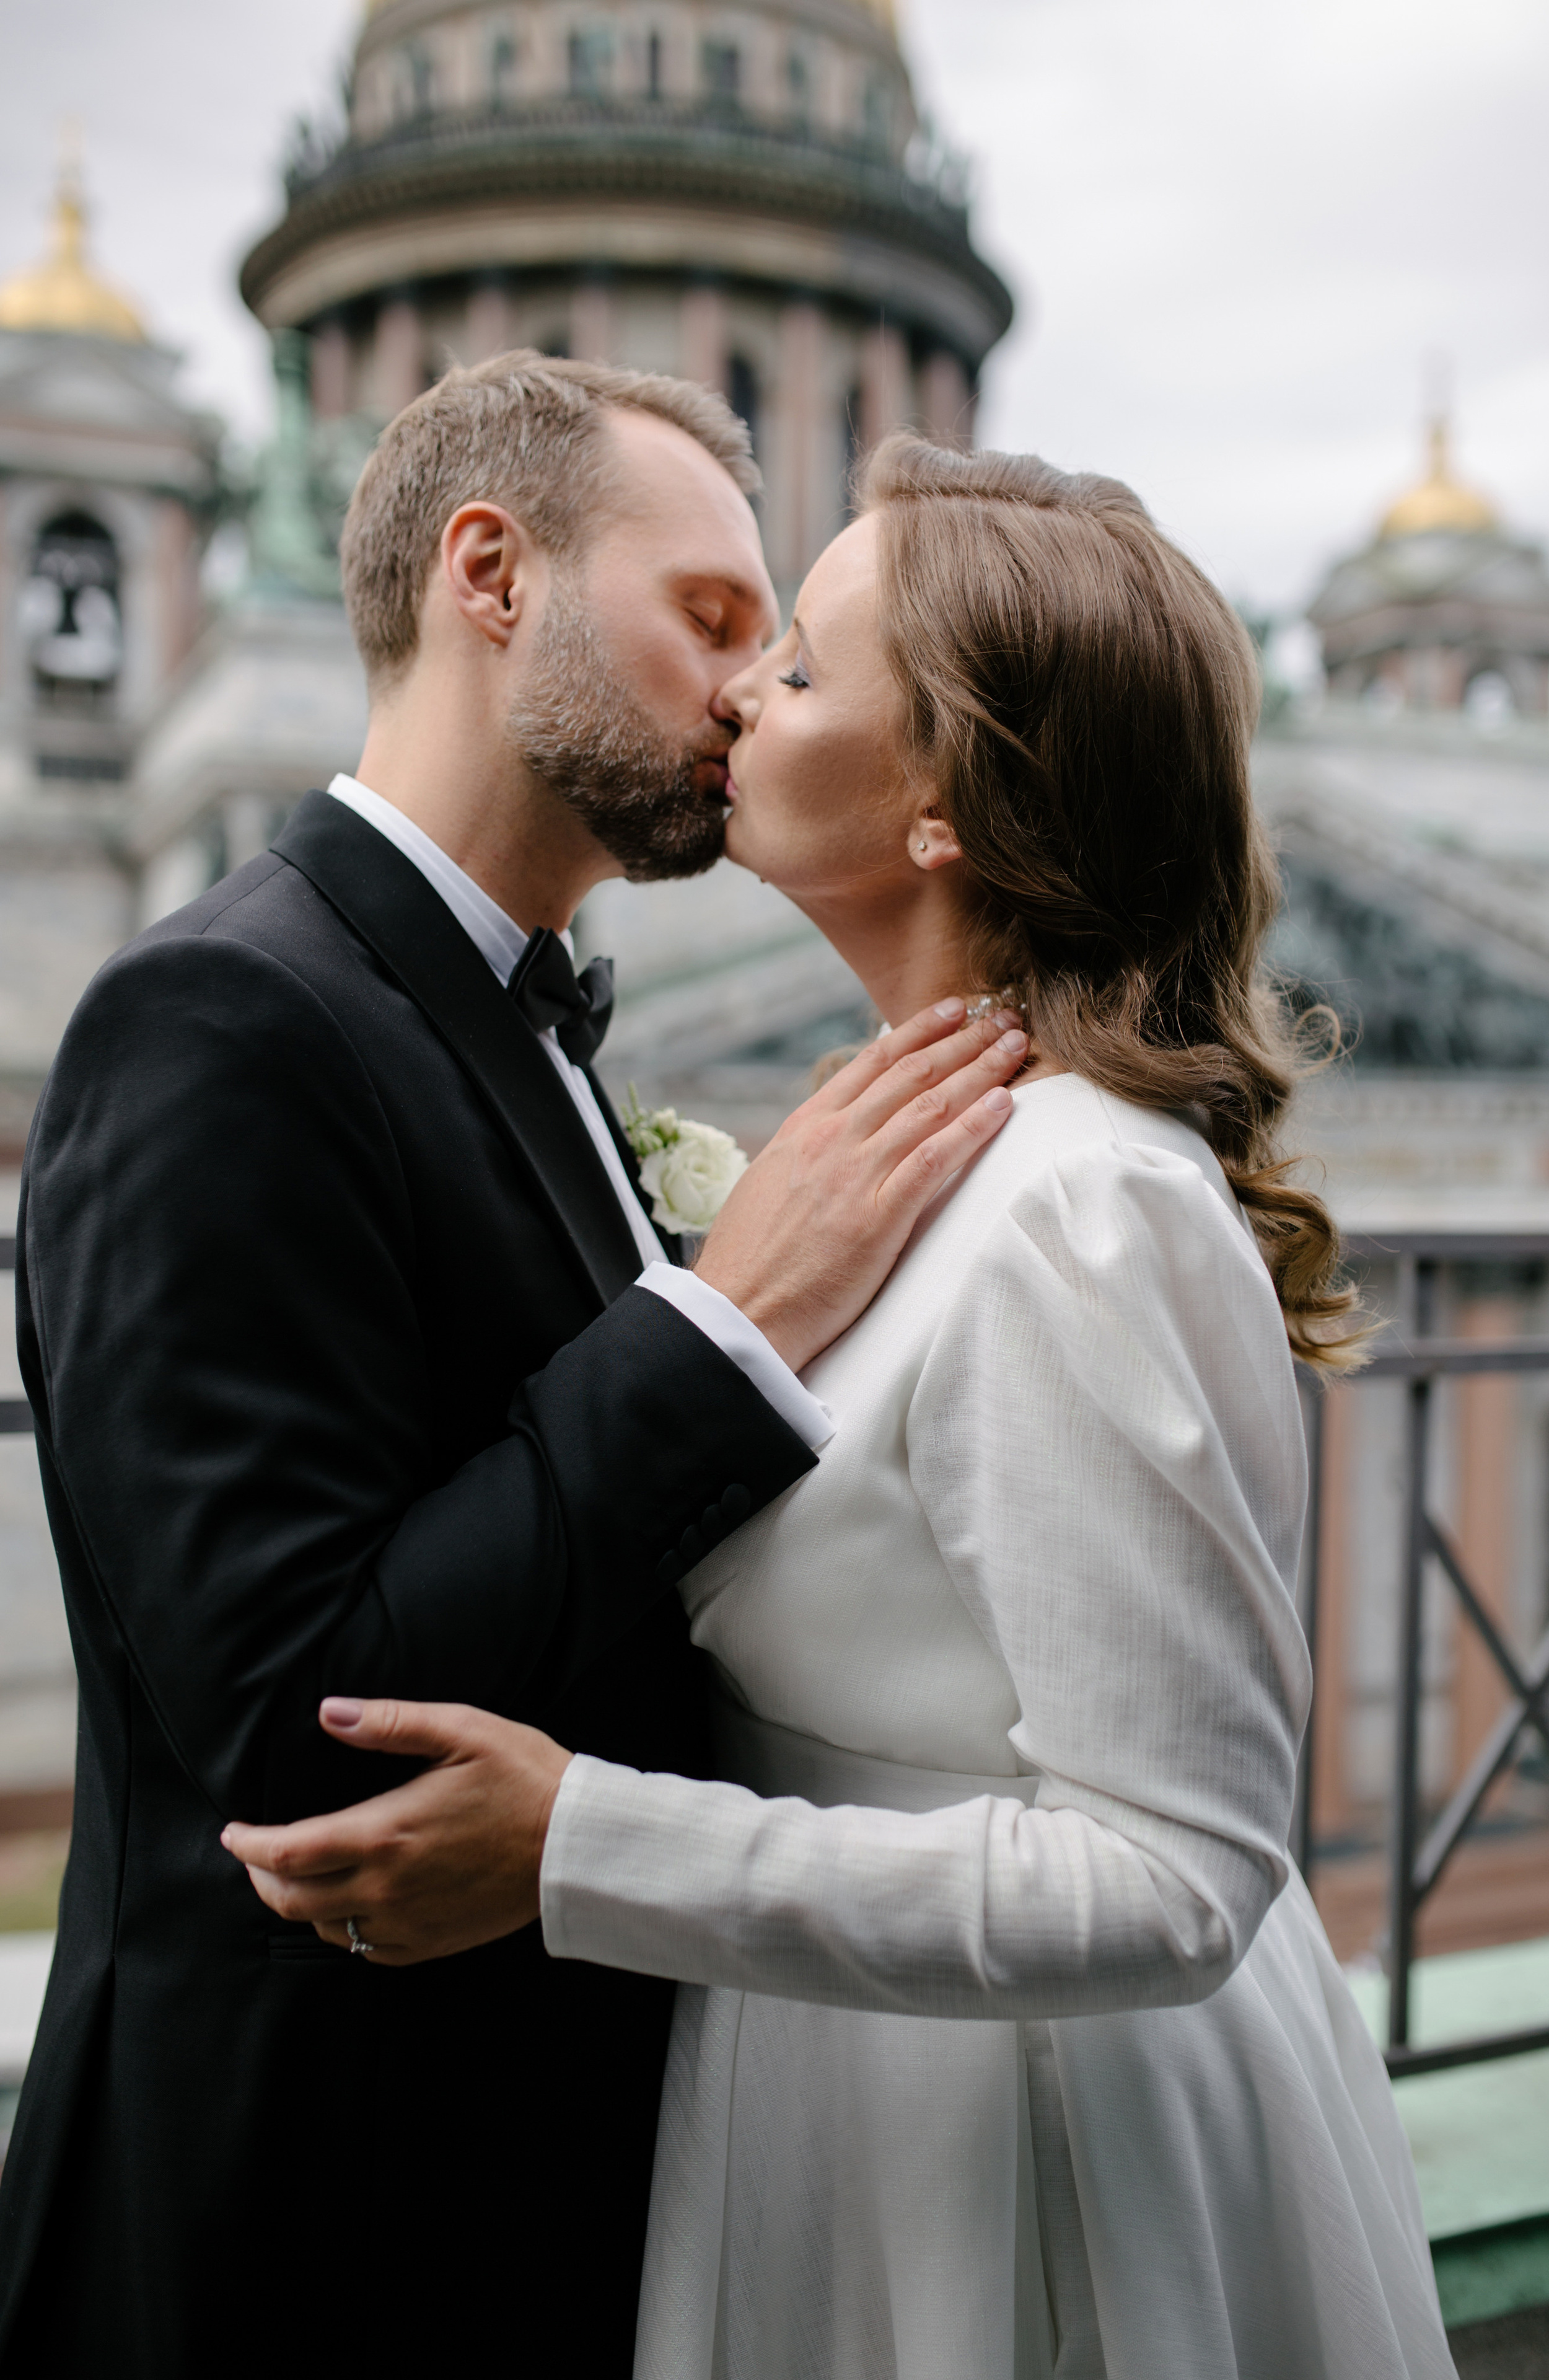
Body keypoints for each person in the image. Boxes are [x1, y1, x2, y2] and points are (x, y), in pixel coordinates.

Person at [230, 434, 1460, 2379]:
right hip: (851, 2092)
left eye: (794, 663)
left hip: (1023, 2158)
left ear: (947, 804)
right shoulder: (917, 1146)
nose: (734, 694)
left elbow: (1179, 1875)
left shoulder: (1083, 1203)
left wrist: (586, 1847)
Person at [0, 362, 1029, 2380]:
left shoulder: (511, 1024)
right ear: (491, 575)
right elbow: (309, 1731)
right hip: (305, 2241)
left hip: (534, 2192)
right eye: (713, 620)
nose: (751, 695)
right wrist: (730, 1319)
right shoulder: (216, 1016)